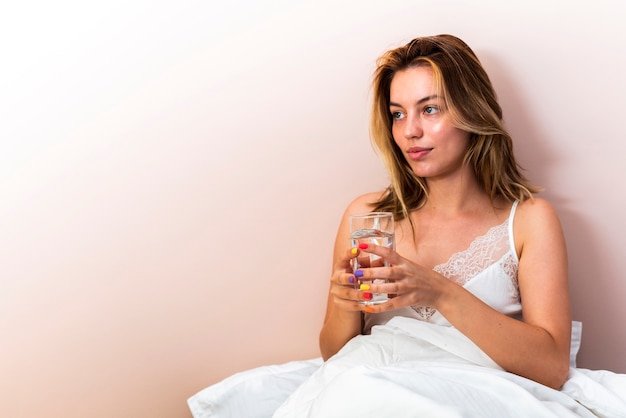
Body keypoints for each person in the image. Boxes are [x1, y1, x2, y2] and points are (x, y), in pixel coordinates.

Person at [318, 34, 572, 390]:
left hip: (479, 396)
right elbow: (334, 358)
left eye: (430, 109)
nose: (410, 131)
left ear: (472, 110)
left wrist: (439, 292)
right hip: (375, 392)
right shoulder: (366, 217)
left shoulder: (530, 221)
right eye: (397, 114)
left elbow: (552, 368)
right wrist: (345, 305)